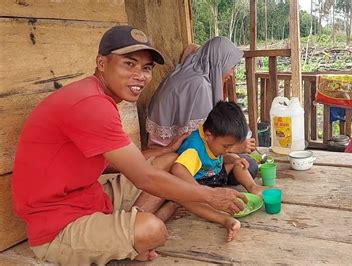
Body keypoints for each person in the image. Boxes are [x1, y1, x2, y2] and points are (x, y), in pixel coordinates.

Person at [11, 25, 247, 265]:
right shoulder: (91, 104)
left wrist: (165, 150)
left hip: (88, 195)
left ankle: (125, 229)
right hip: (55, 225)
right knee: (153, 231)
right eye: (129, 64)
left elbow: (121, 163)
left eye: (146, 68)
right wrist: (211, 196)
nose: (140, 75)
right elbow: (145, 178)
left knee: (168, 161)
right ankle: (135, 230)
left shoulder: (99, 97)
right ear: (101, 63)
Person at [145, 36, 259, 179]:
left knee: (241, 163)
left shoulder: (188, 73)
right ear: (218, 63)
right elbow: (204, 138)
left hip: (177, 150)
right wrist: (236, 147)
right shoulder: (199, 84)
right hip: (173, 157)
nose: (231, 73)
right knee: (250, 166)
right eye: (230, 66)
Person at [165, 101, 266, 242]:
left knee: (238, 160)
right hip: (200, 183)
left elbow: (216, 157)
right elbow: (178, 168)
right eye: (226, 146)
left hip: (213, 174)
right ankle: (225, 220)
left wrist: (233, 159)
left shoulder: (214, 138)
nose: (228, 149)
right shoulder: (194, 149)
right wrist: (200, 192)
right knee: (190, 201)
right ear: (208, 135)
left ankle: (252, 187)